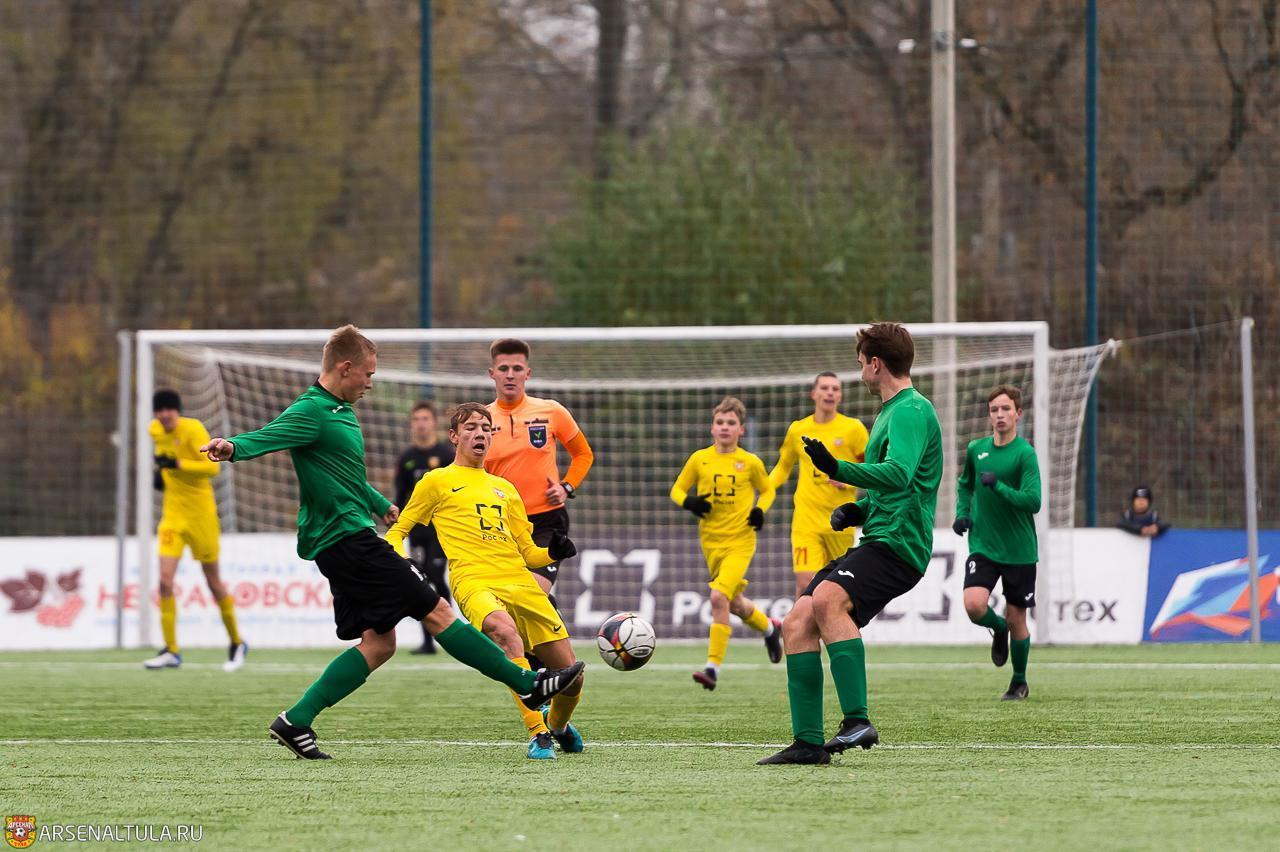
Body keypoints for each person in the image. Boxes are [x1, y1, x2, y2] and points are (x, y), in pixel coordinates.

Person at [199, 325, 584, 760]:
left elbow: (345, 476)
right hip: (348, 539)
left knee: (379, 643)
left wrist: (381, 504)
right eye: (368, 374)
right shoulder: (313, 410)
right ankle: (527, 683)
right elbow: (270, 433)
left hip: (345, 538)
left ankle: (296, 720)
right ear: (346, 368)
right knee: (437, 611)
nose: (370, 382)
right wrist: (232, 447)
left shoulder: (341, 412)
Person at [758, 322, 942, 766]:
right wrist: (858, 511)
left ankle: (857, 720)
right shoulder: (890, 412)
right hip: (879, 534)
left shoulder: (911, 410)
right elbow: (898, 487)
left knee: (827, 600)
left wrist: (837, 468)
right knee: (797, 621)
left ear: (876, 364)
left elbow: (899, 474)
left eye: (860, 363)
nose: (859, 371)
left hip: (900, 544)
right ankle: (807, 744)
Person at [388, 403, 587, 761]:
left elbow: (529, 553)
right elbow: (396, 531)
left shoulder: (505, 488)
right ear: (454, 437)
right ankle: (538, 733)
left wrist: (553, 552)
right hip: (474, 580)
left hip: (520, 581)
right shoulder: (436, 481)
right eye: (471, 428)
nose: (479, 433)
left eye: (485, 428)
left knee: (572, 677)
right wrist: (402, 563)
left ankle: (557, 726)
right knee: (505, 633)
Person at [670, 396, 782, 691]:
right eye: (720, 422)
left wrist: (759, 510)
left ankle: (712, 668)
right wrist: (691, 502)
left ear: (741, 430)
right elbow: (677, 490)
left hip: (741, 541)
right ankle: (770, 628)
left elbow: (768, 490)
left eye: (731, 423)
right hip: (711, 542)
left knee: (718, 597)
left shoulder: (750, 462)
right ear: (712, 427)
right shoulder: (700, 459)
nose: (724, 427)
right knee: (733, 603)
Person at [144, 389, 247, 672]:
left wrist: (177, 465)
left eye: (169, 409)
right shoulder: (155, 431)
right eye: (159, 410)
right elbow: (163, 457)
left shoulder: (193, 429)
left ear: (177, 411)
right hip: (172, 517)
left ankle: (237, 642)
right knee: (164, 581)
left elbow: (212, 469)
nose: (164, 415)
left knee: (213, 581)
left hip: (201, 516)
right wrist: (161, 473)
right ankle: (171, 650)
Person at [484, 338, 594, 603]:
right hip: (501, 523)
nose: (510, 375)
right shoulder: (482, 420)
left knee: (530, 595)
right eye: (504, 368)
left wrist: (566, 486)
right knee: (508, 602)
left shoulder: (551, 411)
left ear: (528, 373)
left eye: (517, 368)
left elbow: (583, 454)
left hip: (547, 520)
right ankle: (549, 621)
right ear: (492, 373)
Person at [953, 385, 1041, 701]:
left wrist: (999, 487)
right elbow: (965, 486)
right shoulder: (976, 449)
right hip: (984, 545)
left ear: (1018, 413)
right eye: (994, 410)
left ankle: (1019, 681)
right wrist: (962, 514)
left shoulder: (1025, 454)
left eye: (1006, 409)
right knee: (974, 605)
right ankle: (998, 628)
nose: (1000, 415)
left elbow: (1033, 501)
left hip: (1019, 550)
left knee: (1018, 618)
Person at [769, 372, 870, 598]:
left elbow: (870, 466)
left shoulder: (853, 429)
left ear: (840, 396)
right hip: (806, 520)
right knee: (806, 583)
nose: (830, 393)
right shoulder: (798, 429)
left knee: (836, 590)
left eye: (835, 389)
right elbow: (783, 467)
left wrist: (849, 478)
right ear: (813, 393)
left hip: (840, 521)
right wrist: (764, 486)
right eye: (824, 388)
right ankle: (801, 623)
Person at [392, 400, 455, 654]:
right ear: (411, 425)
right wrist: (395, 520)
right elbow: (400, 495)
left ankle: (450, 634)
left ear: (434, 423)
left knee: (436, 574)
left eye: (425, 419)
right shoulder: (407, 458)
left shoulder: (447, 455)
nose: (421, 424)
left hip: (442, 530)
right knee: (420, 580)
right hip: (417, 531)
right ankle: (428, 641)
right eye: (416, 419)